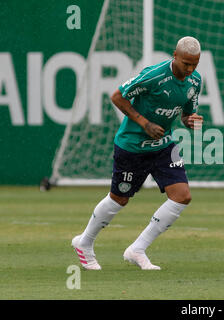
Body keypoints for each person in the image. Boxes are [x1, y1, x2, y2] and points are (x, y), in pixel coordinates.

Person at [71, 36, 203, 270]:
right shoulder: (154, 76)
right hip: (132, 146)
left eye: (195, 64)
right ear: (175, 55)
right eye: (186, 63)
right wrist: (145, 123)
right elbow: (117, 96)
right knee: (119, 199)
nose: (190, 69)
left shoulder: (195, 81)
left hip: (163, 146)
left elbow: (185, 114)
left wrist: (190, 121)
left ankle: (137, 249)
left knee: (182, 195)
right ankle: (85, 242)